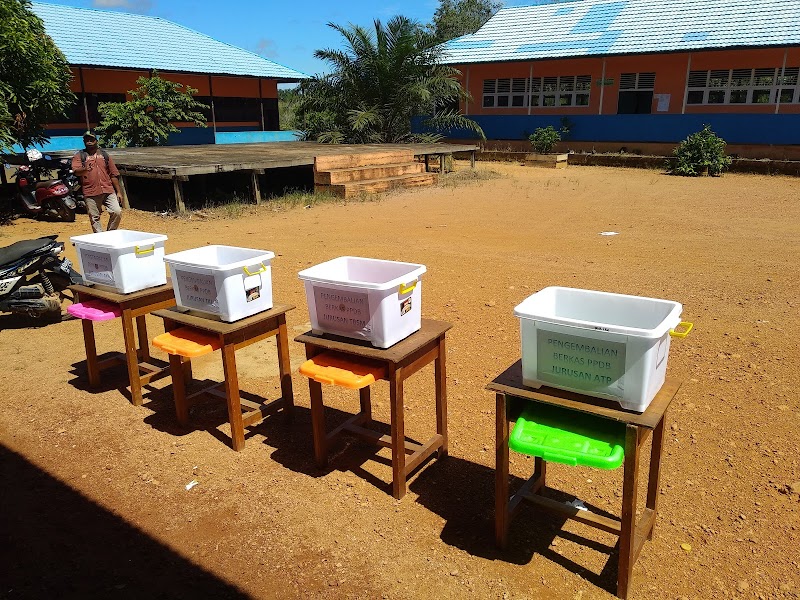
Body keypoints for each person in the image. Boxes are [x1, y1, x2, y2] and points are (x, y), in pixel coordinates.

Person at [72, 131, 124, 233]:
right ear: (84, 141)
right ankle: (100, 237)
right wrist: (85, 169)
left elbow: (113, 173)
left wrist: (118, 192)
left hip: (108, 189)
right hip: (90, 191)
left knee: (117, 212)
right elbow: (76, 171)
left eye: (92, 139)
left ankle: (110, 233)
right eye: (87, 140)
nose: (89, 141)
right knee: (94, 217)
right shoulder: (79, 156)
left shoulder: (104, 155)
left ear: (96, 141)